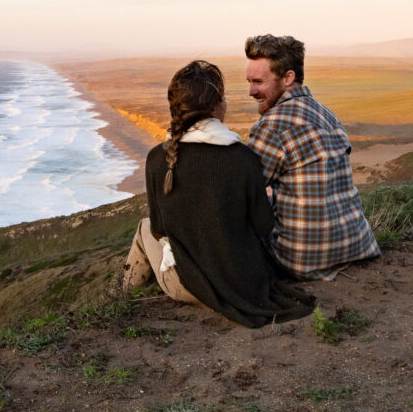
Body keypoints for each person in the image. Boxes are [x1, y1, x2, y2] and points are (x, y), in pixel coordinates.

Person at [123, 60, 314, 326]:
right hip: (246, 281)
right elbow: (263, 226)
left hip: (188, 287)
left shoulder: (158, 158)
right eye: (222, 97)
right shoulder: (243, 157)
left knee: (143, 227)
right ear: (215, 107)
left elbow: (159, 230)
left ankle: (121, 299)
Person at [243, 34, 380, 279]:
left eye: (258, 82)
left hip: (299, 260)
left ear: (288, 78)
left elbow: (241, 191)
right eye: (249, 82)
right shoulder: (326, 114)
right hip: (356, 245)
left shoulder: (271, 127)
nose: (251, 91)